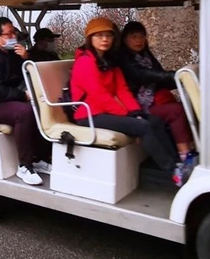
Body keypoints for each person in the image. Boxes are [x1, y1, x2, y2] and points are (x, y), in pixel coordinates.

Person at [69, 17, 180, 180]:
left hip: (106, 111)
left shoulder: (109, 61)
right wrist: (127, 116)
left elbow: (122, 90)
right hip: (88, 114)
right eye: (99, 35)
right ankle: (173, 172)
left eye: (108, 35)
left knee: (155, 120)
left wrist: (135, 111)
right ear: (90, 38)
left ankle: (178, 162)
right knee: (144, 127)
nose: (105, 39)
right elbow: (100, 96)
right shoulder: (85, 62)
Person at [0, 17, 52, 185]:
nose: (13, 37)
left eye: (14, 33)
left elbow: (25, 73)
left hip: (3, 99)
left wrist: (26, 57)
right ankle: (24, 166)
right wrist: (22, 96)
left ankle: (38, 157)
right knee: (25, 112)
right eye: (8, 34)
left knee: (40, 107)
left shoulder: (11, 53)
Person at [116, 21, 196, 179]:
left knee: (184, 106)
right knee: (176, 110)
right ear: (125, 39)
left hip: (151, 100)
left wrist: (182, 79)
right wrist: (174, 75)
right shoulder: (124, 59)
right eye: (134, 37)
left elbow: (159, 77)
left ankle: (191, 151)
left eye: (142, 36)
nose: (139, 40)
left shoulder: (146, 56)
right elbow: (142, 75)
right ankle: (184, 156)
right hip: (135, 105)